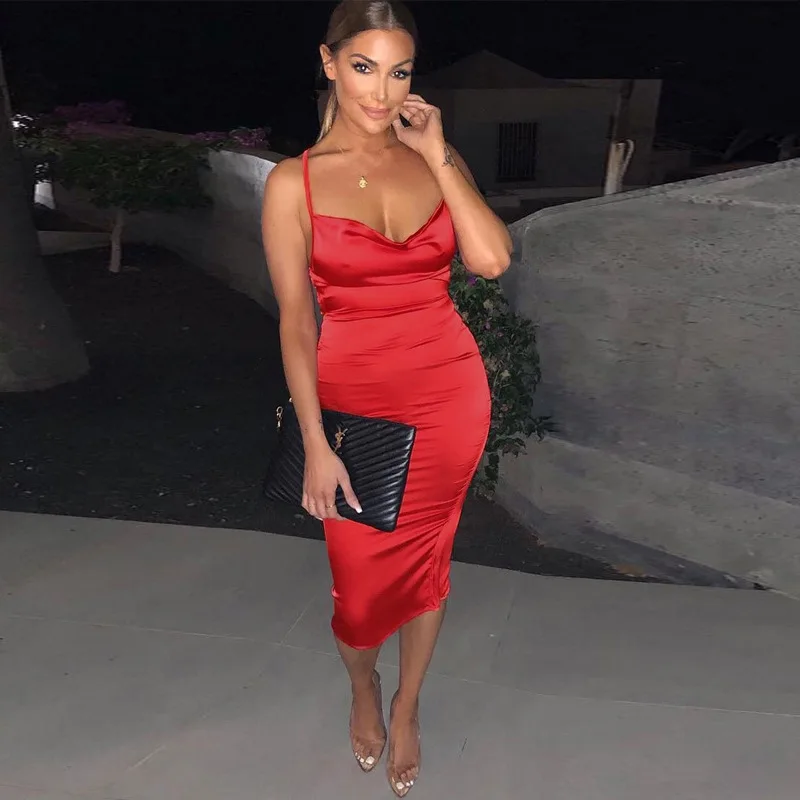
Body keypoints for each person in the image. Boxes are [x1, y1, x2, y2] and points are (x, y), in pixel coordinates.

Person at [261, 1, 512, 795]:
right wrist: (315, 443)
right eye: (364, 67)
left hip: (449, 392)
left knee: (430, 559)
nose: (381, 90)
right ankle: (364, 684)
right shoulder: (294, 183)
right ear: (329, 63)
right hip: (355, 406)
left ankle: (406, 705)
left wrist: (438, 154)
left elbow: (491, 260)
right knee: (361, 589)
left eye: (399, 72)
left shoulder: (431, 158)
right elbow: (296, 322)